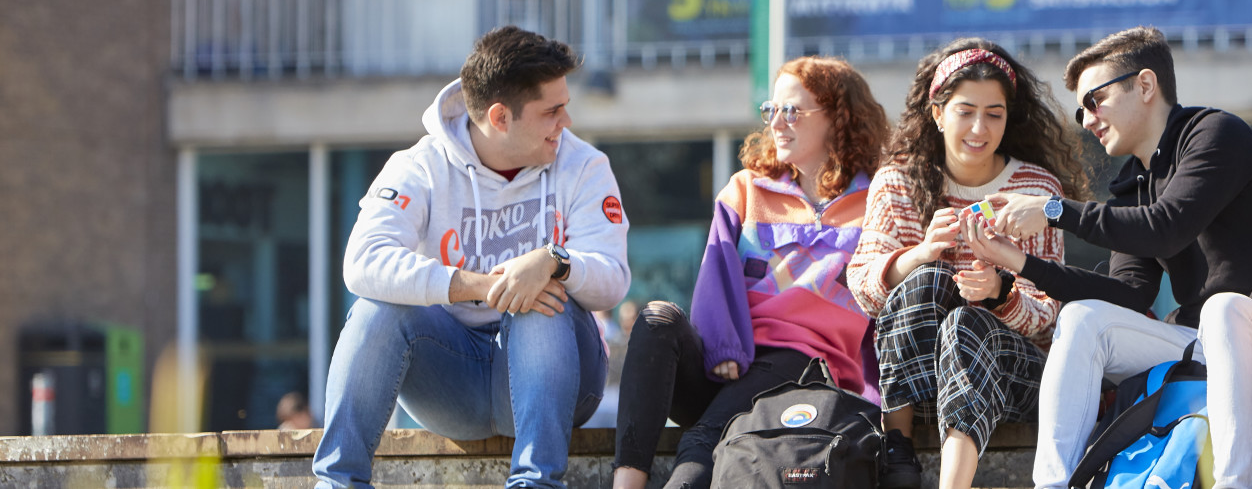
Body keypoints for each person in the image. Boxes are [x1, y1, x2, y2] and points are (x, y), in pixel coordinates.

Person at [980, 26, 1252, 489]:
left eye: (1095, 100)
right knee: (1082, 319)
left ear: (1146, 85)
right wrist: (1020, 263)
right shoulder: (1133, 183)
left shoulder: (1216, 134)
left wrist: (1054, 210)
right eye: (1081, 110)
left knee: (1222, 308)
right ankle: (1052, 485)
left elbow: (1167, 226)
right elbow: (1129, 294)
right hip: (1201, 344)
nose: (1087, 120)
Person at [314, 26, 630, 488]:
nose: (566, 121)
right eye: (552, 111)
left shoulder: (584, 165)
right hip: (453, 385)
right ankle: (338, 482)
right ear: (500, 117)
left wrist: (553, 262)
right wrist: (482, 285)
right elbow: (362, 261)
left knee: (539, 297)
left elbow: (613, 279)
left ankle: (536, 483)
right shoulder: (420, 166)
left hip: (560, 381)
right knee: (375, 310)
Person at [611, 56, 890, 489]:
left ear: (839, 117)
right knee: (656, 321)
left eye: (792, 110)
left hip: (806, 370)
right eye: (771, 109)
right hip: (729, 365)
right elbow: (716, 276)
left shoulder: (877, 201)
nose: (776, 122)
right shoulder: (745, 188)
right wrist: (724, 347)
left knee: (702, 441)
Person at [846, 39, 1091, 489]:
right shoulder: (897, 181)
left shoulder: (1035, 190)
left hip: (1011, 378)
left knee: (966, 323)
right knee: (928, 276)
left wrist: (999, 293)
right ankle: (897, 448)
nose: (979, 128)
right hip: (918, 382)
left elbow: (1050, 316)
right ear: (938, 114)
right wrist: (920, 253)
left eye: (994, 114)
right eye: (965, 111)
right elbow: (863, 288)